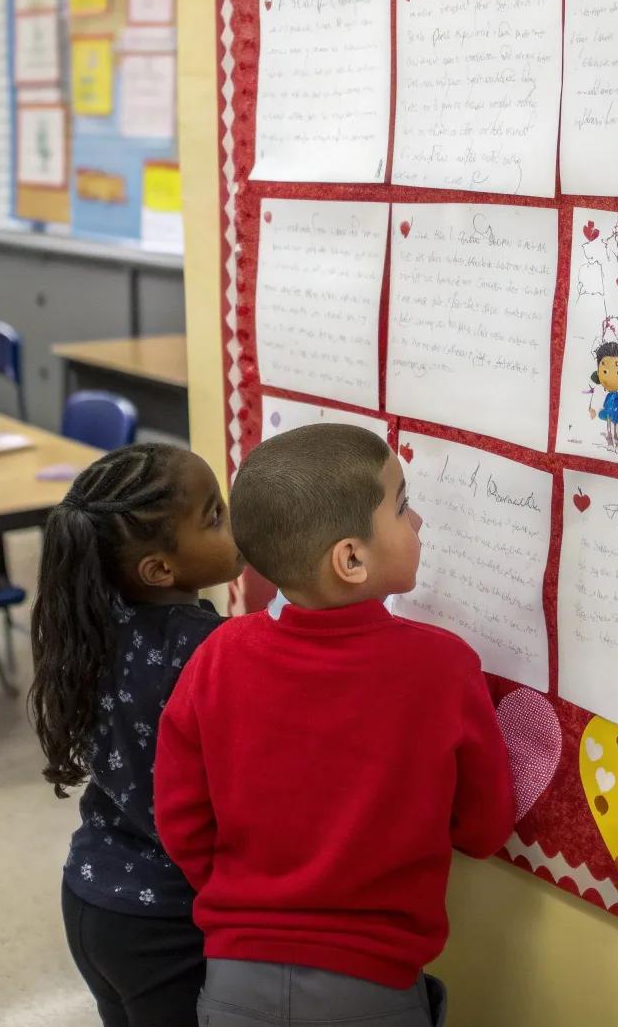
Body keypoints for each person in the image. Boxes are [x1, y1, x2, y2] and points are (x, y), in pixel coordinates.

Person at [155, 423, 515, 1027]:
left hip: (233, 980)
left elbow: (180, 817)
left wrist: (250, 905)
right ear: (351, 558)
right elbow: (483, 829)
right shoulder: (445, 667)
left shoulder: (219, 654)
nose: (419, 521)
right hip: (372, 993)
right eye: (401, 506)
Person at [29, 442, 244, 1027]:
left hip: (92, 895)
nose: (235, 522)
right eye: (216, 517)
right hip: (165, 922)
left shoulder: (92, 624)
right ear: (159, 569)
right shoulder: (210, 649)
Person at [588, 341, 618, 450]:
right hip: (608, 408)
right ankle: (610, 438)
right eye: (604, 371)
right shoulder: (602, 392)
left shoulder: (616, 394)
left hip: (617, 409)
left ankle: (616, 436)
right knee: (609, 421)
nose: (610, 375)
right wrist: (592, 409)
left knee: (616, 422)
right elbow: (596, 399)